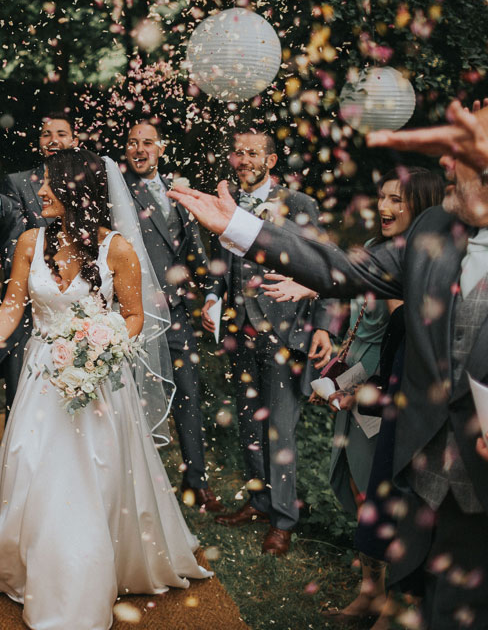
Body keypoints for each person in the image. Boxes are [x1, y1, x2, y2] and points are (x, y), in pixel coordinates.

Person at [170, 99, 488, 630]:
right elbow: (339, 267)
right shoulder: (435, 228)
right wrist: (244, 228)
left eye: (468, 157)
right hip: (433, 473)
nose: (448, 167)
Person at [0, 148, 211, 630]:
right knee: (32, 465)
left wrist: (101, 346)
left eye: (51, 183)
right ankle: (30, 563)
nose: (41, 190)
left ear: (79, 191)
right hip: (42, 377)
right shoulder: (30, 240)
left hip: (99, 383)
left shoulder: (117, 249)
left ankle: (81, 579)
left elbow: (134, 317)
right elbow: (11, 307)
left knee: (95, 477)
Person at [262, 167, 444, 627]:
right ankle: (371, 593)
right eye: (381, 197)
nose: (383, 208)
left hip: (378, 396)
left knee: (380, 499)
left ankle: (393, 601)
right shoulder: (381, 254)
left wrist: (355, 389)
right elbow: (349, 292)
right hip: (350, 382)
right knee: (363, 493)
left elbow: (394, 351)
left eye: (396, 201)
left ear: (421, 207)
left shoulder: (415, 270)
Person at [200, 128, 336, 556]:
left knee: (280, 431)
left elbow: (323, 269)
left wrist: (323, 326)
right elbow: (220, 265)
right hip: (241, 333)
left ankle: (284, 519)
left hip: (285, 335)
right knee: (249, 425)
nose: (243, 159)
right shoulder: (228, 203)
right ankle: (260, 502)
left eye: (253, 152)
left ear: (271, 161)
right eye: (237, 152)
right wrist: (211, 297)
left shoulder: (299, 205)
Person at [122, 121, 223, 512]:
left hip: (177, 314)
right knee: (130, 396)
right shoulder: (118, 191)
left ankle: (195, 481)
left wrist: (212, 292)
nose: (139, 149)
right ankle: (135, 481)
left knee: (189, 396)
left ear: (160, 149)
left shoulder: (177, 192)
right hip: (132, 314)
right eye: (132, 143)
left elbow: (194, 253)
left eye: (147, 142)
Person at [0, 111, 79, 408]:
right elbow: (5, 213)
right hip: (29, 314)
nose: (53, 140)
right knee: (24, 406)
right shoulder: (20, 183)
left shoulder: (91, 185)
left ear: (75, 141)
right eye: (46, 134)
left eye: (61, 134)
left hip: (80, 313)